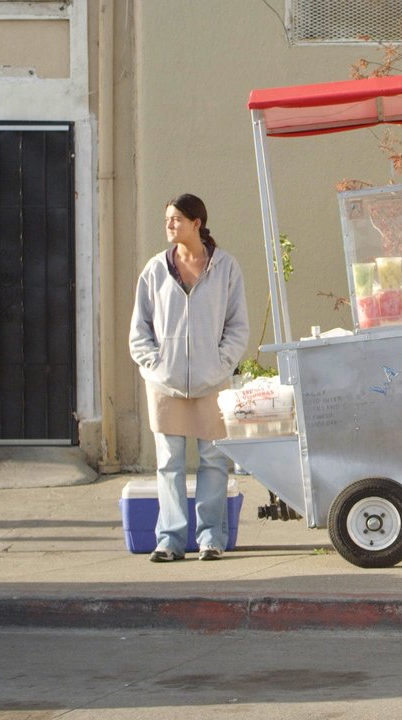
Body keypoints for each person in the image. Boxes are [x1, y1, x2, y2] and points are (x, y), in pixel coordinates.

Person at [129, 194, 249, 562]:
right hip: (164, 385)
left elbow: (237, 326)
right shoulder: (155, 269)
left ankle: (211, 537)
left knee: (213, 461)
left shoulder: (225, 268)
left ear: (197, 223)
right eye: (168, 218)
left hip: (212, 383)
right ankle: (169, 540)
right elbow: (139, 329)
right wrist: (155, 365)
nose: (169, 225)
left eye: (177, 219)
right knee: (169, 464)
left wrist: (220, 364)